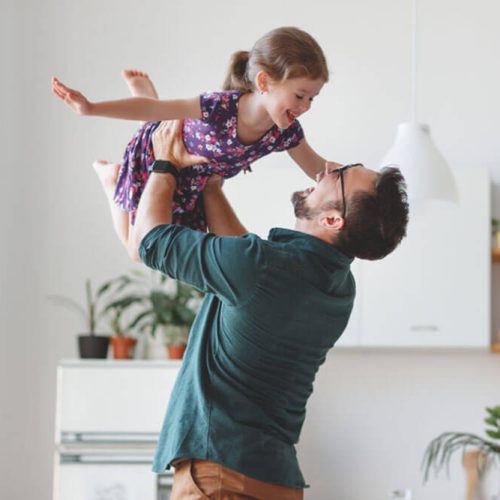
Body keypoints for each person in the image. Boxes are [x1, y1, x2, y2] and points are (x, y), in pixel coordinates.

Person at [129, 120, 409, 499]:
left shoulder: (261, 267)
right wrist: (211, 188)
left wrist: (165, 163)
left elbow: (149, 240)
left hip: (221, 479)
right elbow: (247, 269)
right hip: (275, 481)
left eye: (340, 175)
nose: (327, 168)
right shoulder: (339, 289)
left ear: (332, 219)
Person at [51, 26, 334, 256]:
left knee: (165, 249)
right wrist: (91, 108)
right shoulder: (220, 107)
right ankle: (111, 178)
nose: (306, 106)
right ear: (264, 82)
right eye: (300, 95)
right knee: (138, 251)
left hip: (192, 184)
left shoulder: (285, 132)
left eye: (312, 98)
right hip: (156, 158)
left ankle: (146, 94)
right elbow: (155, 112)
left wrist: (373, 180)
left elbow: (320, 169)